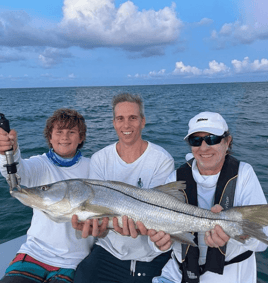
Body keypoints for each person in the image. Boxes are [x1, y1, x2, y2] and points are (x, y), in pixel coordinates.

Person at [153, 111, 268, 283]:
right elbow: (156, 237)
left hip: (230, 276)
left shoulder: (244, 174)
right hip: (177, 274)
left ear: (227, 142)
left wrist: (241, 233)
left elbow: (262, 241)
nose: (204, 147)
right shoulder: (175, 179)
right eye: (196, 140)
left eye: (212, 139)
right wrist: (158, 244)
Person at [72, 93, 175, 283]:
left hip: (151, 255)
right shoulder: (100, 159)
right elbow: (100, 221)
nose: (126, 125)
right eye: (120, 118)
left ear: (143, 122)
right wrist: (97, 229)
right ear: (114, 123)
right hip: (109, 251)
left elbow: (159, 216)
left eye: (132, 118)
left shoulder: (161, 159)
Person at [0, 108, 96, 283]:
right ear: (50, 138)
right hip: (34, 253)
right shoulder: (40, 164)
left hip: (74, 260)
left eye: (71, 132)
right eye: (58, 132)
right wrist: (8, 153)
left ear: (81, 138)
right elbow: (16, 173)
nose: (64, 137)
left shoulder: (94, 167)